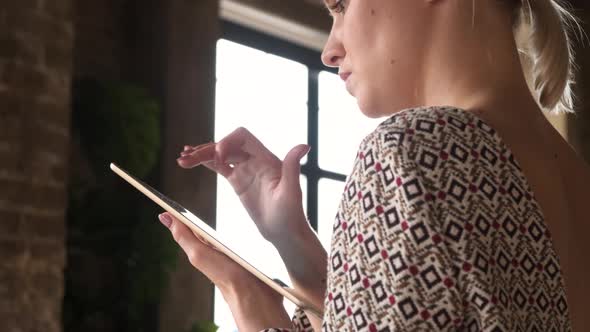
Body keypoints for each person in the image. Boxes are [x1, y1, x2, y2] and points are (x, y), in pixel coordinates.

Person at [157, 0, 589, 331]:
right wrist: (296, 248)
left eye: (341, 5)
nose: (329, 49)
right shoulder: (574, 177)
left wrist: (248, 301)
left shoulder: (417, 150)